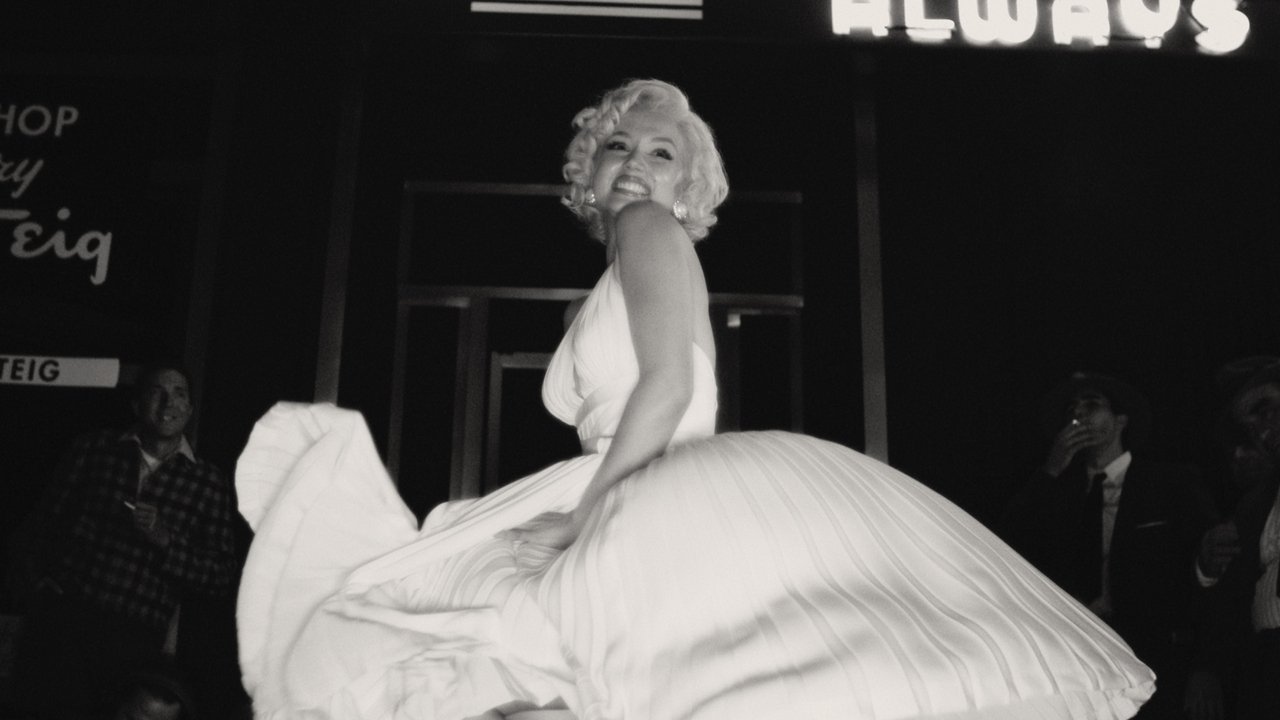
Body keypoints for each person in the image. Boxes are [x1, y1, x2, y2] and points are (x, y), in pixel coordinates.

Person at [235, 79, 1156, 720]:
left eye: (661, 152)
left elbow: (670, 384)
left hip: (649, 483)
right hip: (642, 481)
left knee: (531, 666)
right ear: (587, 170)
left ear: (687, 185)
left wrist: (587, 518)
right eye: (617, 146)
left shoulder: (648, 229)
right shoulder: (618, 266)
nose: (635, 164)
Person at [9, 362, 239, 720]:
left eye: (179, 394)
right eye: (157, 392)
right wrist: (40, 588)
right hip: (66, 619)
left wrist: (167, 541)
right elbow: (42, 525)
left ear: (190, 409)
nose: (168, 403)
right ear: (136, 404)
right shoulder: (95, 449)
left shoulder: (207, 482)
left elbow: (220, 575)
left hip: (136, 638)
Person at [1000, 372, 1218, 719]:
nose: (1078, 415)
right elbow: (1008, 544)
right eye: (1072, 409)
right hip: (1080, 657)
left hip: (1155, 657)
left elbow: (1209, 569)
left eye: (1091, 404)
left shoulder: (1168, 483)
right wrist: (1051, 471)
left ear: (1120, 420)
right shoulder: (1060, 492)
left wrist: (1206, 665)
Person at [1195, 358, 1280, 720]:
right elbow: (1229, 595)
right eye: (1251, 426)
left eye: (1266, 409)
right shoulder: (1254, 505)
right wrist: (1207, 567)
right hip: (1265, 665)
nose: (1261, 431)